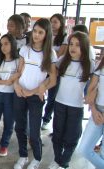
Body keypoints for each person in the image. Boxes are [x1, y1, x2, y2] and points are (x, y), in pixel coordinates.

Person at [13, 18, 57, 169]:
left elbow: (53, 79)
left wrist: (39, 89)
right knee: (19, 127)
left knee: (34, 132)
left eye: (40, 32)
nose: (36, 35)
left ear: (46, 34)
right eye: (35, 31)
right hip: (20, 93)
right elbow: (18, 72)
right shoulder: (25, 49)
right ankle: (23, 156)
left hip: (36, 97)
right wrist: (16, 85)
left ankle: (37, 159)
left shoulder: (50, 53)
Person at [49, 31, 94, 169]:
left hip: (76, 106)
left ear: (84, 47)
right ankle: (57, 160)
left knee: (72, 137)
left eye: (78, 45)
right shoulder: (62, 60)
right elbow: (51, 76)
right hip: (60, 103)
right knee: (57, 134)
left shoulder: (89, 64)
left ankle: (64, 162)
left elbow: (95, 84)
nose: (73, 48)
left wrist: (90, 98)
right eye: (71, 44)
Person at [41, 14, 68, 130]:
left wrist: (49, 56)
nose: (52, 24)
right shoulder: (47, 34)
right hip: (43, 68)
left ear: (61, 23)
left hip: (55, 70)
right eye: (51, 21)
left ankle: (46, 118)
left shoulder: (65, 37)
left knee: (52, 96)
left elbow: (60, 54)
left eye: (55, 22)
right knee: (40, 92)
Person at [78, 56, 104, 169]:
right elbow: (90, 89)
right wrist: (93, 109)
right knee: (84, 149)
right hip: (97, 111)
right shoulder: (101, 65)